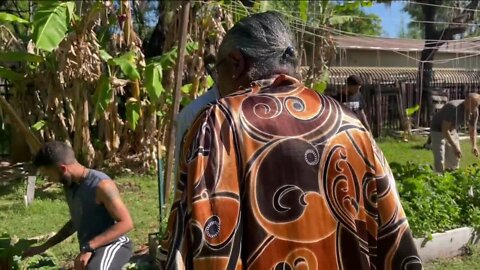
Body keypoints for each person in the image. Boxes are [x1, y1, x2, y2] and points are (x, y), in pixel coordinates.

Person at [160, 11, 421, 269]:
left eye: (219, 71)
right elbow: (393, 229)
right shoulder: (350, 123)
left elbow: (203, 234)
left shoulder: (218, 121)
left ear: (236, 62)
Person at [23, 141, 134, 270]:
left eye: (49, 175)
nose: (50, 180)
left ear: (63, 169)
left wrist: (89, 247)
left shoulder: (101, 185)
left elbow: (126, 223)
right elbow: (77, 221)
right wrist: (43, 247)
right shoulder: (70, 186)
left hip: (114, 244)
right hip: (92, 248)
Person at [430, 93, 480, 172]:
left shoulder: (475, 111)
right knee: (440, 158)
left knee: (455, 157)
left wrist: (474, 146)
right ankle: (438, 178)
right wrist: (454, 147)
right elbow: (444, 129)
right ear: (466, 101)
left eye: (476, 105)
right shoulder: (453, 107)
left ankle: (452, 177)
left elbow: (472, 129)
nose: (474, 108)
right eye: (472, 105)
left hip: (452, 129)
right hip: (437, 129)